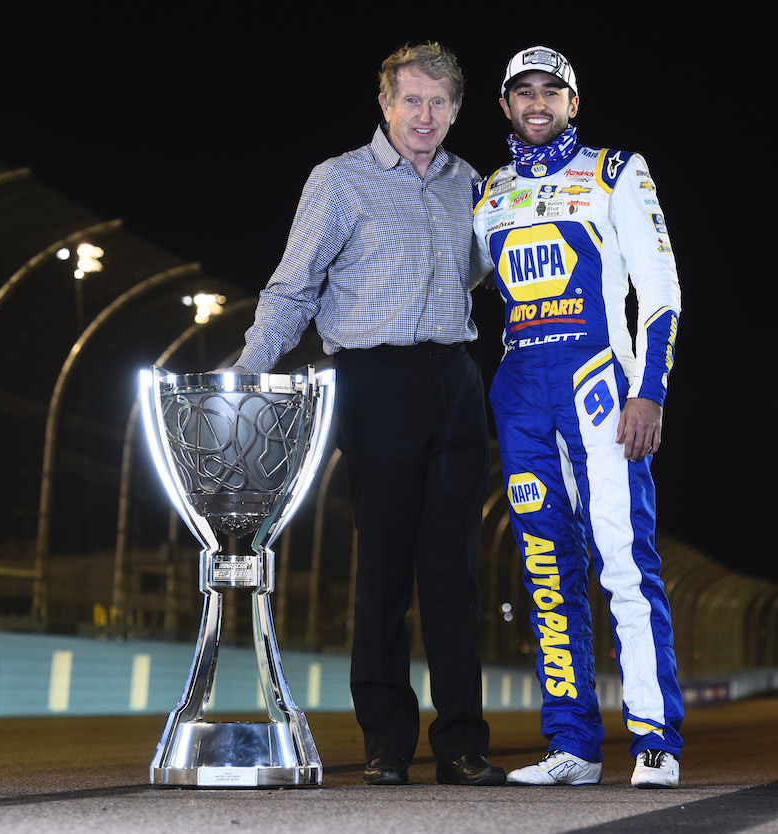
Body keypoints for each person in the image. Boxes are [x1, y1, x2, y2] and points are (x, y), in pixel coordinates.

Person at [224, 42, 504, 787]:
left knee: (454, 573)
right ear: (384, 104)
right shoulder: (339, 182)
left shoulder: (469, 184)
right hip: (374, 379)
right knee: (383, 566)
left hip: (455, 377)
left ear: (456, 110)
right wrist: (251, 368)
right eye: (411, 100)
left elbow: (488, 272)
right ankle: (385, 741)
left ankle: (463, 744)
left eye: (439, 103)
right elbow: (293, 288)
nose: (425, 116)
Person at [472, 46, 684, 788]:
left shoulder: (616, 171)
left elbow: (660, 291)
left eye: (550, 92)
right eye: (522, 92)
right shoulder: (489, 193)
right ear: (504, 105)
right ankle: (573, 747)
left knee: (623, 563)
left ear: (572, 101)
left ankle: (655, 739)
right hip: (520, 395)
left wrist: (648, 389)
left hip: (601, 388)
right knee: (545, 571)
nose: (536, 103)